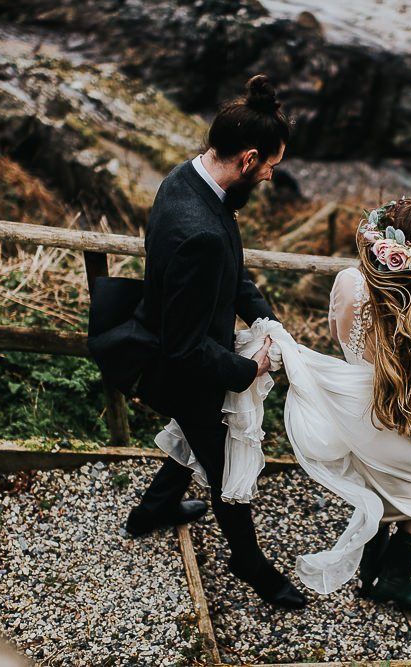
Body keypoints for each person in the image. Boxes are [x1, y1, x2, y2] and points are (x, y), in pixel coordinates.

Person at [87, 74, 307, 609]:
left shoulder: (189, 177)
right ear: (248, 158)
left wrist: (266, 322)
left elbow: (231, 273)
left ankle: (154, 510)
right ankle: (249, 563)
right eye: (271, 167)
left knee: (199, 440)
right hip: (182, 369)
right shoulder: (200, 231)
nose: (270, 177)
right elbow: (185, 347)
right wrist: (247, 371)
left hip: (179, 341)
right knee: (227, 462)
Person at [213, 196, 411, 608]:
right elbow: (405, 419)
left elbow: (340, 334)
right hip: (396, 415)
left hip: (353, 409)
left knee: (379, 488)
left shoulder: (347, 282)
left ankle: (370, 577)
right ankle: (392, 580)